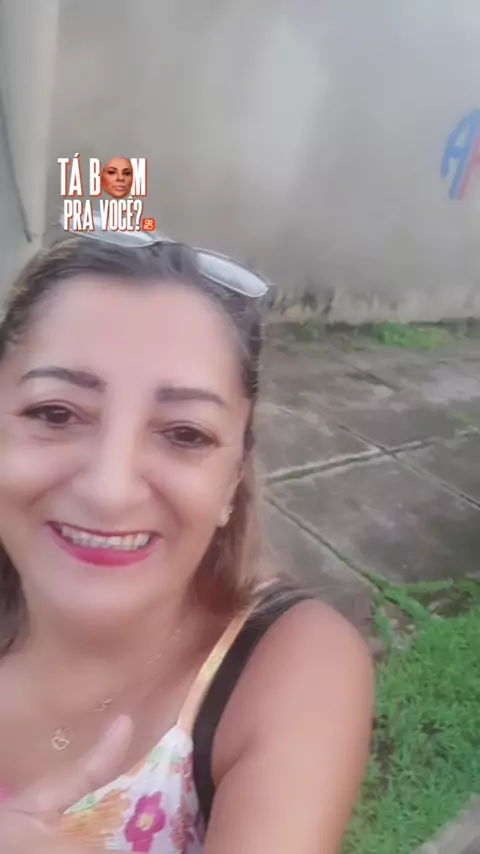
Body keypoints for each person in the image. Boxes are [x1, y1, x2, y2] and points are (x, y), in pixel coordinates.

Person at [0, 228, 373, 854]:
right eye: (55, 413)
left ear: (233, 479)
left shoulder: (284, 666)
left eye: (185, 434)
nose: (109, 490)